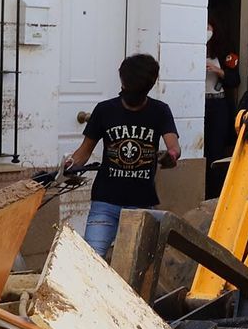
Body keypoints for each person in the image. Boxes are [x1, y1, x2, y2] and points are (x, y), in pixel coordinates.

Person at [64, 54, 181, 259]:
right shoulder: (104, 110)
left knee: (137, 264)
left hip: (142, 204)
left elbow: (174, 147)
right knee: (92, 260)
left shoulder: (160, 111)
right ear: (123, 81)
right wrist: (68, 166)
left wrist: (170, 156)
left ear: (149, 85)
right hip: (105, 201)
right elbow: (84, 152)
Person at [203, 22, 240, 199]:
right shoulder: (194, 47)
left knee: (215, 150)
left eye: (209, 27)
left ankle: (215, 192)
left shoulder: (224, 52)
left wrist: (219, 72)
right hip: (201, 103)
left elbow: (235, 79)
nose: (207, 31)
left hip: (217, 105)